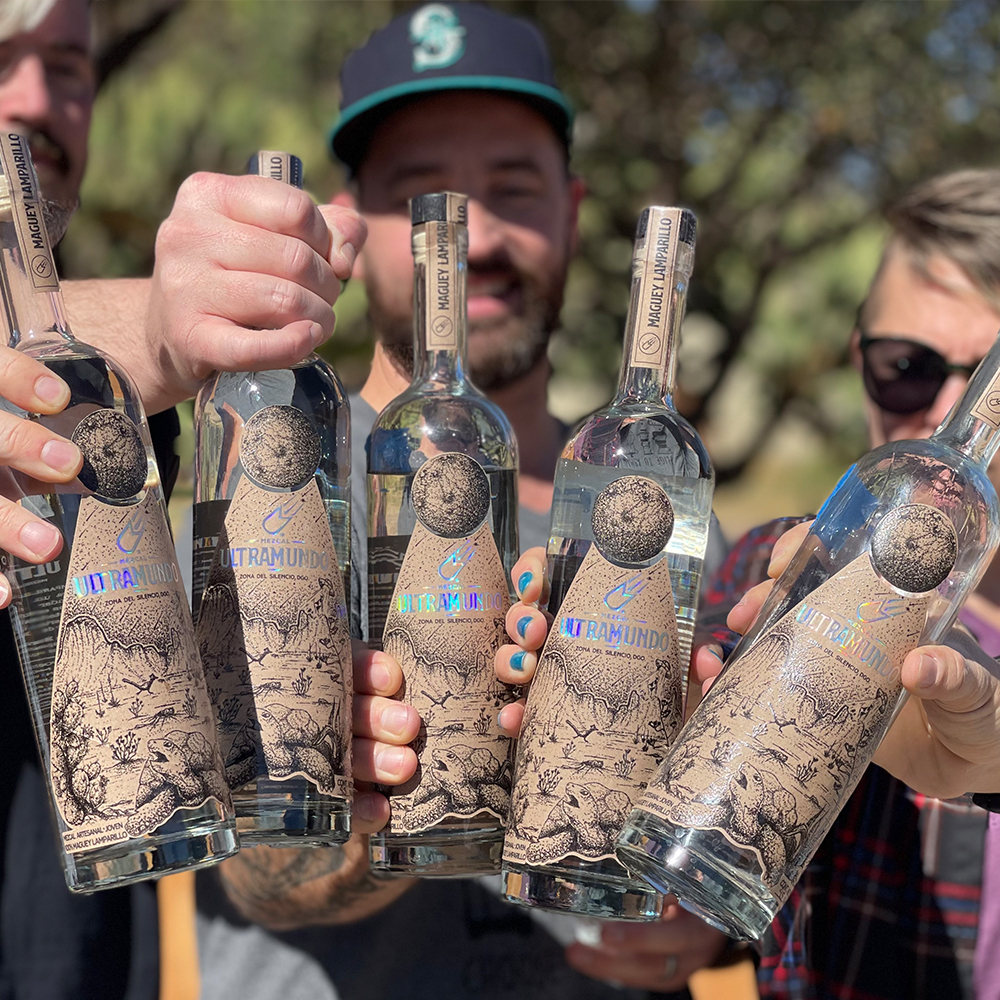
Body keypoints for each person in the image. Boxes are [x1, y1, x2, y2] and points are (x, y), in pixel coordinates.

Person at [202, 5, 730, 998]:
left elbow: (707, 887)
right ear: (352, 224)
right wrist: (339, 796)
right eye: (424, 194)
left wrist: (695, 917)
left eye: (515, 188)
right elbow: (255, 876)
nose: (476, 234)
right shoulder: (265, 477)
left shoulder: (674, 526)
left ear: (572, 208)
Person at [504, 168, 1000, 1000]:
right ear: (858, 358)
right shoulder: (784, 570)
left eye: (983, 383)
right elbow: (707, 872)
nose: (942, 408)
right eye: (907, 365)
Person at [0, 2, 366, 997]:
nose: (35, 99)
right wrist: (159, 332)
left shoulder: (116, 424)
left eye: (69, 64)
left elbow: (55, 351)